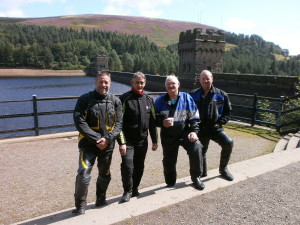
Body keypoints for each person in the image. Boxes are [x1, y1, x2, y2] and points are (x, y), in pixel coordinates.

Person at [72, 71, 123, 215]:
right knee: (83, 174)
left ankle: (101, 199)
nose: (103, 85)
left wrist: (107, 139)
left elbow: (119, 123)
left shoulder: (115, 101)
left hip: (107, 146)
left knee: (104, 173)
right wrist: (95, 138)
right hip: (88, 145)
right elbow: (79, 121)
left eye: (106, 82)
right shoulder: (85, 99)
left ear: (110, 84)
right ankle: (80, 206)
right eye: (101, 82)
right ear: (96, 83)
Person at [154, 75, 205, 190]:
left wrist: (194, 132)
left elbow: (195, 117)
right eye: (168, 84)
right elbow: (153, 119)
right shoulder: (160, 101)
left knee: (196, 146)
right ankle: (170, 181)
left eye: (173, 83)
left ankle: (196, 177)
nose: (171, 86)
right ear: (165, 86)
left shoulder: (186, 98)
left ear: (178, 85)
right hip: (168, 134)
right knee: (168, 160)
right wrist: (162, 122)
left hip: (184, 131)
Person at [118, 71, 158, 203]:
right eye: (137, 82)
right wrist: (122, 142)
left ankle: (135, 188)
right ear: (132, 83)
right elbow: (119, 124)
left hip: (142, 141)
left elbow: (152, 122)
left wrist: (155, 140)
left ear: (145, 83)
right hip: (128, 141)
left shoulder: (149, 100)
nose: (140, 85)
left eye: (142, 83)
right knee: (128, 166)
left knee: (139, 166)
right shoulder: (124, 99)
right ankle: (127, 191)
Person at [189, 70, 234, 181]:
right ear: (200, 80)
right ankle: (202, 172)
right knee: (201, 150)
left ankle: (223, 169)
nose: (205, 80)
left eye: (207, 78)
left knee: (228, 143)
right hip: (200, 128)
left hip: (215, 127)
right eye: (203, 78)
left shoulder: (221, 95)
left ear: (212, 78)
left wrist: (221, 122)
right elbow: (188, 111)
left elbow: (228, 111)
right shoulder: (193, 94)